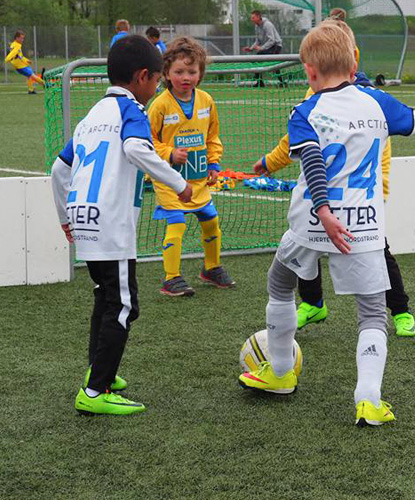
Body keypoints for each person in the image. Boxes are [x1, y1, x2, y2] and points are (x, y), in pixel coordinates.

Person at [238, 23, 415, 427]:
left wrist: (323, 209)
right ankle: (368, 400)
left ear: (309, 71)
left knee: (280, 284)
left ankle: (281, 372)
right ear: (354, 61)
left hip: (310, 221)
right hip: (364, 225)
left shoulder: (305, 111)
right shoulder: (378, 103)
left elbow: (312, 162)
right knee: (373, 313)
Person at [50, 35, 192, 415]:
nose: (158, 86)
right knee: (123, 306)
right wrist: (178, 183)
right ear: (142, 77)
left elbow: (58, 170)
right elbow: (134, 149)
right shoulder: (132, 111)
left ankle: (100, 373)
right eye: (158, 79)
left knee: (105, 296)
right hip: (111, 223)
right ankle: (95, 393)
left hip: (83, 218)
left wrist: (66, 217)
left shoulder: (92, 115)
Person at [253, 19, 415, 337]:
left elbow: (382, 150)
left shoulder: (370, 97)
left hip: (361, 193)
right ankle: (313, 303)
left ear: (351, 55)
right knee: (306, 243)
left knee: (377, 251)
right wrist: (270, 163)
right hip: (321, 191)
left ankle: (400, 310)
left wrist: (379, 187)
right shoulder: (313, 91)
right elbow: (294, 143)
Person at [147, 36, 234, 297]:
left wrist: (213, 162)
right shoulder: (160, 104)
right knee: (176, 223)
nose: (186, 77)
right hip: (169, 179)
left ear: (200, 73)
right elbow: (146, 141)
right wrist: (169, 153)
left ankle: (211, 267)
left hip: (197, 179)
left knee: (210, 220)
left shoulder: (206, 100)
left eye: (192, 71)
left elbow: (212, 137)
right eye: (179, 71)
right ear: (166, 73)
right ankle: (171, 278)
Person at [4, 30, 46, 95]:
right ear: (17, 38)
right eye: (21, 38)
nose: (22, 40)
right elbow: (13, 53)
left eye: (23, 38)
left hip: (22, 65)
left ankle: (31, 90)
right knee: (33, 76)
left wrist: (26, 60)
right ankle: (45, 84)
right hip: (20, 66)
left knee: (29, 76)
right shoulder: (17, 46)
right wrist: (7, 59)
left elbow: (19, 56)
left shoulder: (14, 44)